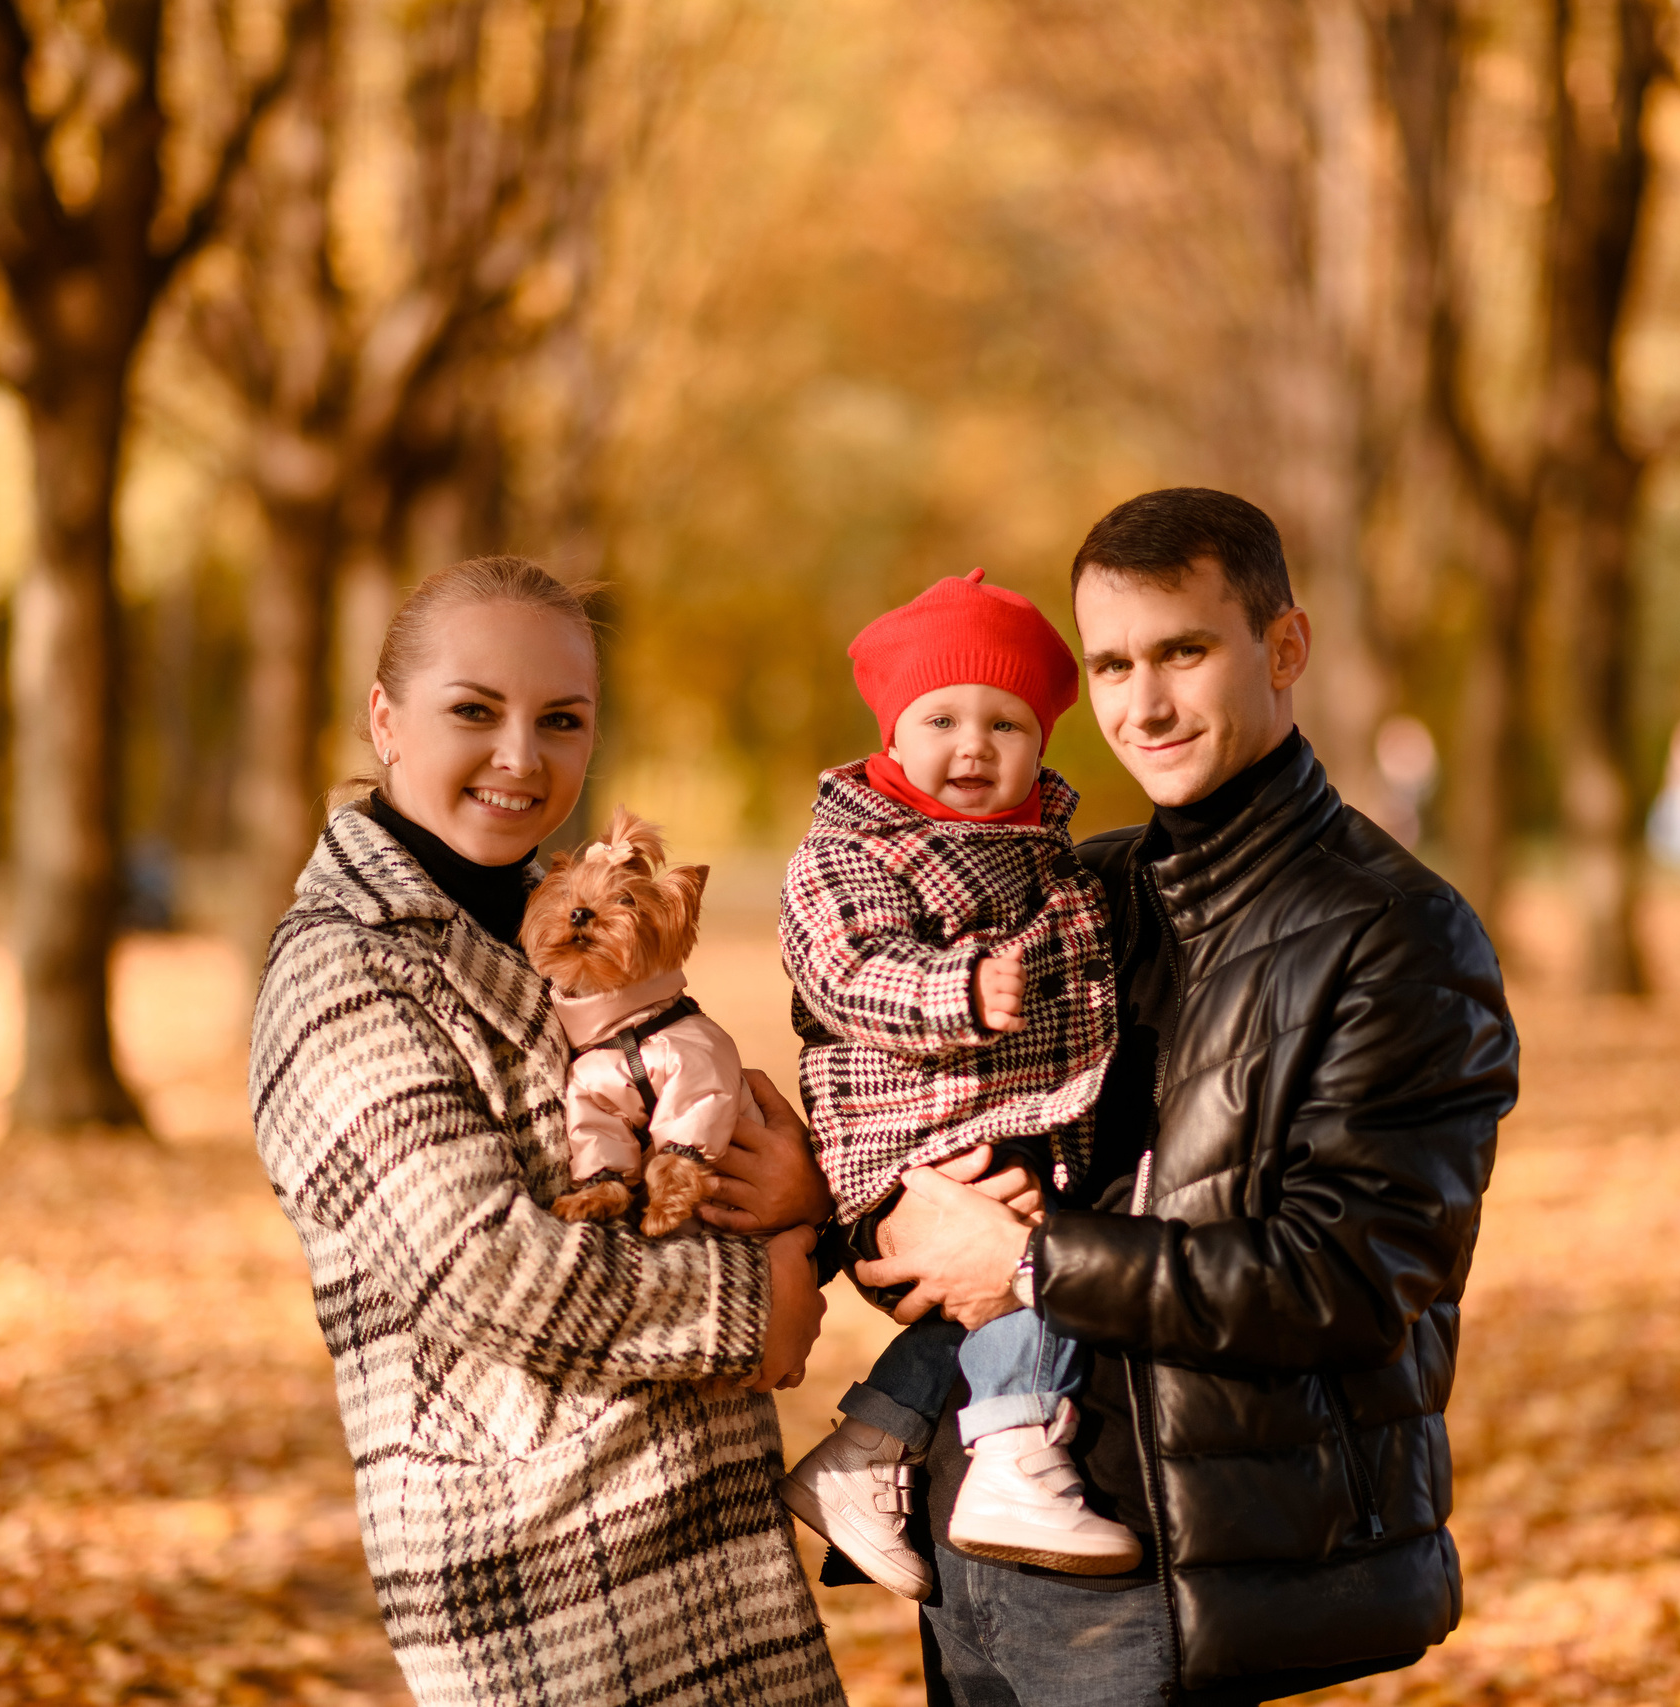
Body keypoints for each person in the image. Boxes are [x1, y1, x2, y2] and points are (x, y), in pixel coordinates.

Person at [851, 490, 1521, 1706]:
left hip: (1179, 1566)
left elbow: (1353, 1279)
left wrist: (1030, 1265)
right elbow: (926, 1152)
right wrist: (854, 1211)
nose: (1141, 705)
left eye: (1182, 652)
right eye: (1109, 663)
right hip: (976, 1532)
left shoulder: (1395, 933)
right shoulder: (1071, 897)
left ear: (1283, 649)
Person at [248, 556, 846, 1706]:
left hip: (699, 1546)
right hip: (546, 1592)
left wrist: (792, 1197)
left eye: (561, 720)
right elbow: (489, 1266)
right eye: (475, 711)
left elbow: (683, 1128)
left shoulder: (553, 929)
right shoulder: (345, 972)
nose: (521, 756)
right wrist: (754, 1300)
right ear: (386, 719)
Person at [775, 569, 1139, 1598]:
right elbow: (844, 972)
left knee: (1005, 1285)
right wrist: (960, 989)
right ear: (892, 733)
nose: (973, 747)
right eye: (942, 719)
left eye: (1006, 723)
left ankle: (864, 1454)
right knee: (1033, 1270)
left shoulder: (1046, 853)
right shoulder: (852, 847)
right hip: (902, 1138)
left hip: (1002, 1124)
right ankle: (1017, 1454)